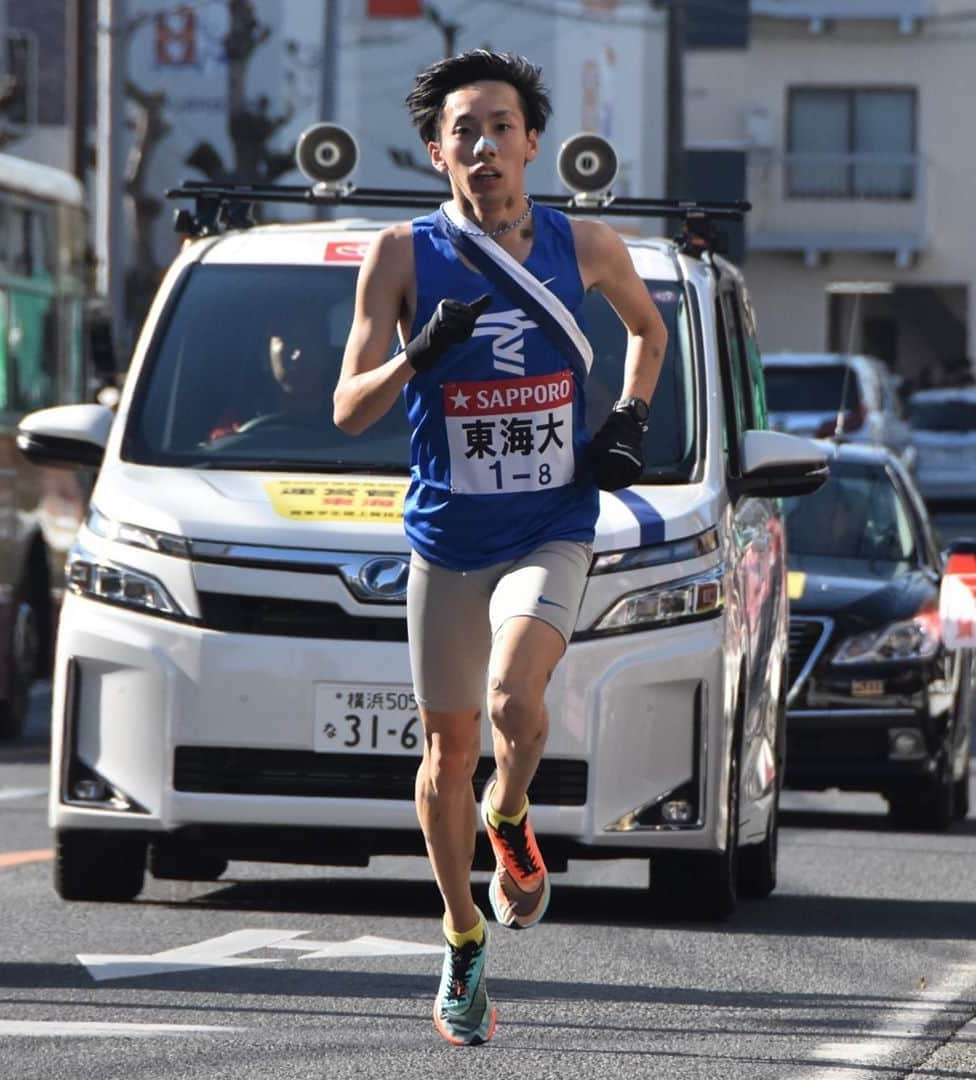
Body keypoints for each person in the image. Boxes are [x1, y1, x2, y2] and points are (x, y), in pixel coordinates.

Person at [333, 49, 668, 1046]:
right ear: (438, 153)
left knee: (516, 701)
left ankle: (511, 816)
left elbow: (649, 333)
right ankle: (463, 934)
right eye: (462, 132)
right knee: (446, 752)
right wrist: (415, 355)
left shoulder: (584, 243)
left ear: (532, 144)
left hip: (551, 521)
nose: (483, 146)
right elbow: (350, 411)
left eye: (500, 128)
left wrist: (631, 422)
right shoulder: (399, 255)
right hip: (446, 534)